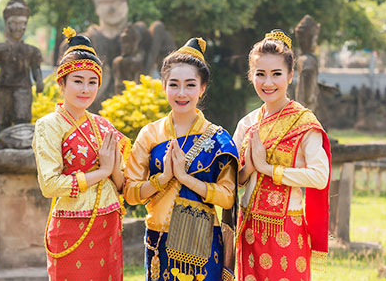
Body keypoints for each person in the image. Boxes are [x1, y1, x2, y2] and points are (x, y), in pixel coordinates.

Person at [124, 38, 239, 281]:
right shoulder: (150, 134)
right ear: (164, 86)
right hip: (158, 239)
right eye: (174, 85)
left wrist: (185, 178)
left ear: (203, 88)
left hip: (201, 240)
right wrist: (163, 178)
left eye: (190, 85)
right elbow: (131, 192)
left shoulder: (218, 139)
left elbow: (228, 197)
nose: (182, 93)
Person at [32, 27, 130, 280]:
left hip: (109, 223)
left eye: (92, 82)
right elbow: (50, 185)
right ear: (62, 82)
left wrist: (114, 172)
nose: (85, 89)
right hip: (70, 227)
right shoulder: (49, 125)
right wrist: (102, 171)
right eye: (78, 81)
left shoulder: (104, 125)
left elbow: (121, 185)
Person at [234, 30, 331, 281]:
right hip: (248, 227)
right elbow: (233, 177)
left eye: (276, 74)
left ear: (290, 76)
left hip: (286, 229)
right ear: (251, 76)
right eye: (260, 74)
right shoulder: (247, 123)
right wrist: (249, 169)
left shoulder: (303, 122)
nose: (268, 83)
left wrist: (269, 169)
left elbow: (320, 176)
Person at [0, 0, 43, 136]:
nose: (19, 27)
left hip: (23, 90)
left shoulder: (31, 50)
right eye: (14, 23)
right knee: (3, 123)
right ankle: (2, 151)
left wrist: (39, 81)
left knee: (23, 123)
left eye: (22, 23)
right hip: (3, 90)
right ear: (7, 23)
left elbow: (36, 68)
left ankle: (21, 152)